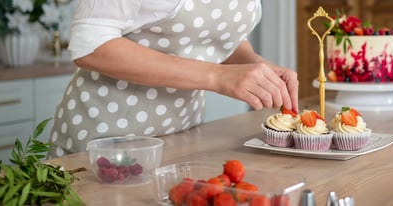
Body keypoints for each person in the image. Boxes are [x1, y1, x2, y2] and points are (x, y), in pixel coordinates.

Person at [47, 0, 299, 158]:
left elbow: (212, 33)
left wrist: (254, 63)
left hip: (182, 139)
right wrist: (217, 76)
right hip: (105, 141)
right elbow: (90, 44)